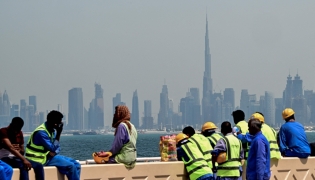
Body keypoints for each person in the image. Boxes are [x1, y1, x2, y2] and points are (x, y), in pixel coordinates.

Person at [25, 110, 81, 180]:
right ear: (54, 123)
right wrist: (59, 133)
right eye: (59, 122)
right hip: (39, 159)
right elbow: (52, 147)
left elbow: (57, 147)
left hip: (48, 156)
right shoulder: (41, 132)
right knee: (71, 166)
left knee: (77, 164)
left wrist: (55, 152)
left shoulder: (51, 130)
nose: (60, 124)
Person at [96, 105, 137, 169]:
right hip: (133, 159)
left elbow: (117, 146)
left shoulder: (122, 126)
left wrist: (107, 153)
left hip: (124, 158)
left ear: (120, 114)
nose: (114, 115)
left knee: (104, 161)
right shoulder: (133, 126)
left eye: (116, 113)